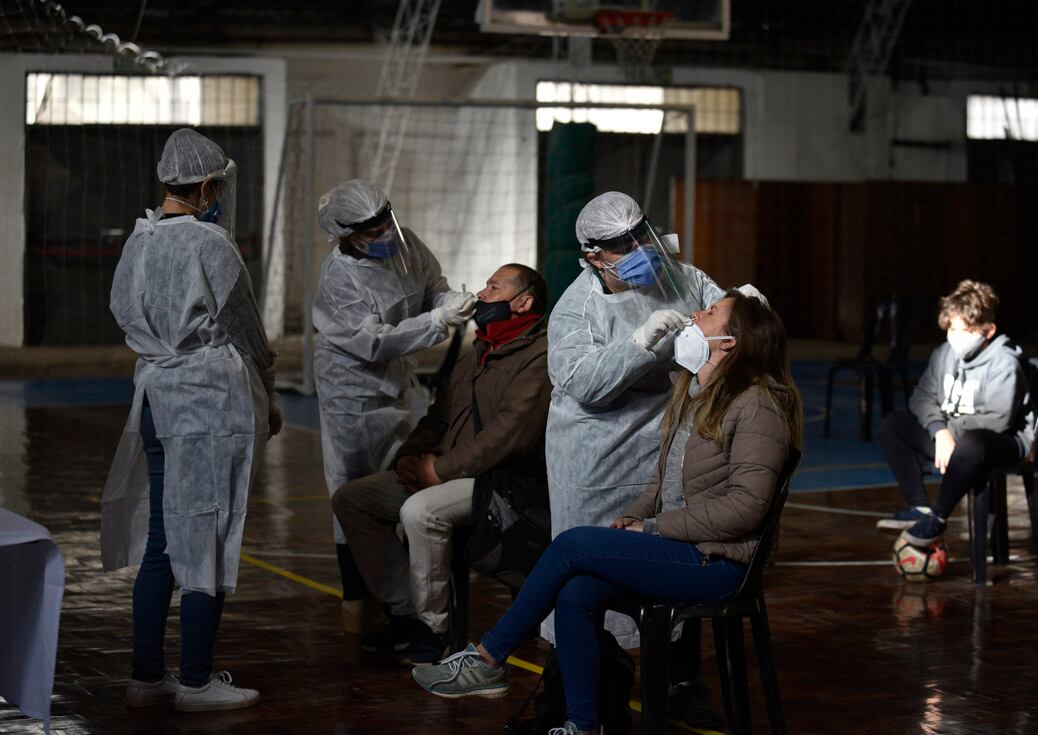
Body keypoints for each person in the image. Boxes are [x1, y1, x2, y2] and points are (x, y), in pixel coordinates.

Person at [411, 290, 802, 735]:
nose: (697, 314)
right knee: (576, 593)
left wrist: (653, 528)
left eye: (710, 313)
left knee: (574, 543)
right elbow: (662, 481)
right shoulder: (697, 393)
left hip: (717, 561)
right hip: (682, 546)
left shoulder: (757, 405)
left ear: (730, 342)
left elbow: (746, 509)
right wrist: (635, 515)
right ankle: (584, 725)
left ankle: (487, 658)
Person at [101, 129, 280, 712]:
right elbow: (247, 328)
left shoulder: (139, 242)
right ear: (207, 186)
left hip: (155, 399)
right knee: (206, 534)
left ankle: (146, 673)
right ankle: (197, 681)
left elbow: (123, 311)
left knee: (162, 541)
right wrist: (268, 393)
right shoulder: (212, 245)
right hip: (206, 402)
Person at [543, 191, 737, 725]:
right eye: (619, 245)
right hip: (596, 457)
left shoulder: (682, 278)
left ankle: (679, 680)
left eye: (638, 236)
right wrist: (640, 343)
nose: (635, 249)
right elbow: (582, 382)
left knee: (670, 555)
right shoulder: (577, 308)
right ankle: (583, 693)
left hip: (666, 447)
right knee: (586, 579)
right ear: (592, 256)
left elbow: (729, 321)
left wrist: (744, 310)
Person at [332, 264, 552, 663]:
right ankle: (405, 610)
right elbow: (439, 416)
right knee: (352, 499)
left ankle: (433, 630)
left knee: (420, 511)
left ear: (523, 302)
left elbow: (510, 434)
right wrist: (409, 458)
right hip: (449, 468)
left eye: (494, 287)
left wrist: (440, 470)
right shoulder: (479, 349)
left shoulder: (540, 356)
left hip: (500, 480)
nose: (482, 294)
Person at [313, 180, 476, 630]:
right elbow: (373, 341)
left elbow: (433, 288)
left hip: (398, 380)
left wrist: (450, 304)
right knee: (350, 490)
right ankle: (360, 602)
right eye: (372, 229)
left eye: (387, 219)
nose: (385, 232)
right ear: (345, 234)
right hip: (352, 389)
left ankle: (403, 597)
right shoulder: (340, 277)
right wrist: (435, 321)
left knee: (398, 482)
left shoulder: (407, 246)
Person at [876, 279, 1036, 547]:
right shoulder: (944, 355)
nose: (956, 337)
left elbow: (998, 420)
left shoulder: (1004, 363)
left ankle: (938, 518)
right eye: (951, 329)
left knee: (974, 441)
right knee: (894, 424)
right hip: (952, 439)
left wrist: (948, 433)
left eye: (964, 330)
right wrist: (939, 431)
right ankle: (918, 508)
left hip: (1000, 442)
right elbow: (921, 398)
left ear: (988, 330)